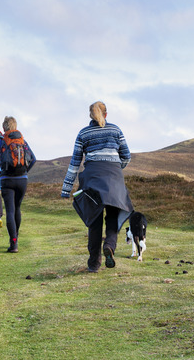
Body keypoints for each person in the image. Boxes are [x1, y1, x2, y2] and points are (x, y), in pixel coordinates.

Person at [61, 101, 134, 272]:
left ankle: (94, 264)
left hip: (92, 178)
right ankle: (109, 245)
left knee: (94, 221)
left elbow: (75, 163)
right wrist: (115, 168)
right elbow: (127, 156)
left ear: (90, 116)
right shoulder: (116, 130)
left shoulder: (83, 133)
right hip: (114, 178)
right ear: (106, 115)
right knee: (113, 216)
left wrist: (66, 188)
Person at [0, 116, 36, 253]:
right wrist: (25, 172)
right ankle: (16, 237)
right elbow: (33, 159)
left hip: (7, 179)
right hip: (22, 179)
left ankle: (13, 243)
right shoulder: (23, 140)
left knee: (10, 210)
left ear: (4, 127)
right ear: (15, 126)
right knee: (17, 208)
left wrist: (0, 174)